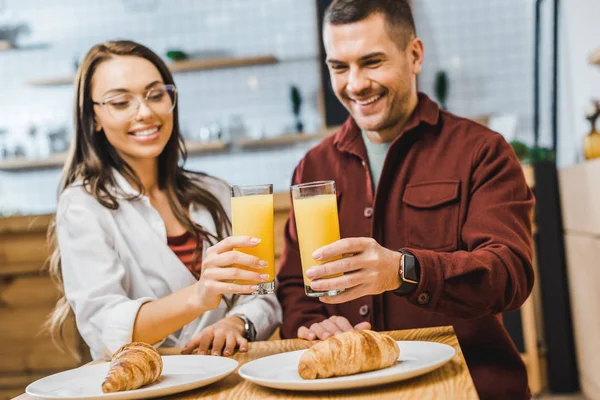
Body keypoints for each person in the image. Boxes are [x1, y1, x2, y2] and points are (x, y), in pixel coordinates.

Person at [277, 1, 534, 398]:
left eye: (372, 62)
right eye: (339, 67)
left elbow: (509, 274)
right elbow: (294, 283)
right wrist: (311, 322)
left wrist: (404, 270)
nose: (355, 83)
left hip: (463, 384)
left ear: (414, 55)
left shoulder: (482, 151)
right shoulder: (312, 167)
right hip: (349, 389)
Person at [46, 40, 281, 361]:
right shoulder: (83, 205)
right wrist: (199, 296)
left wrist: (236, 322)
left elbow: (262, 290)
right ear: (94, 118)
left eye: (156, 95)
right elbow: (104, 329)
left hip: (231, 377)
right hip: (149, 385)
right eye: (120, 102)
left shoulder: (215, 191)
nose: (145, 112)